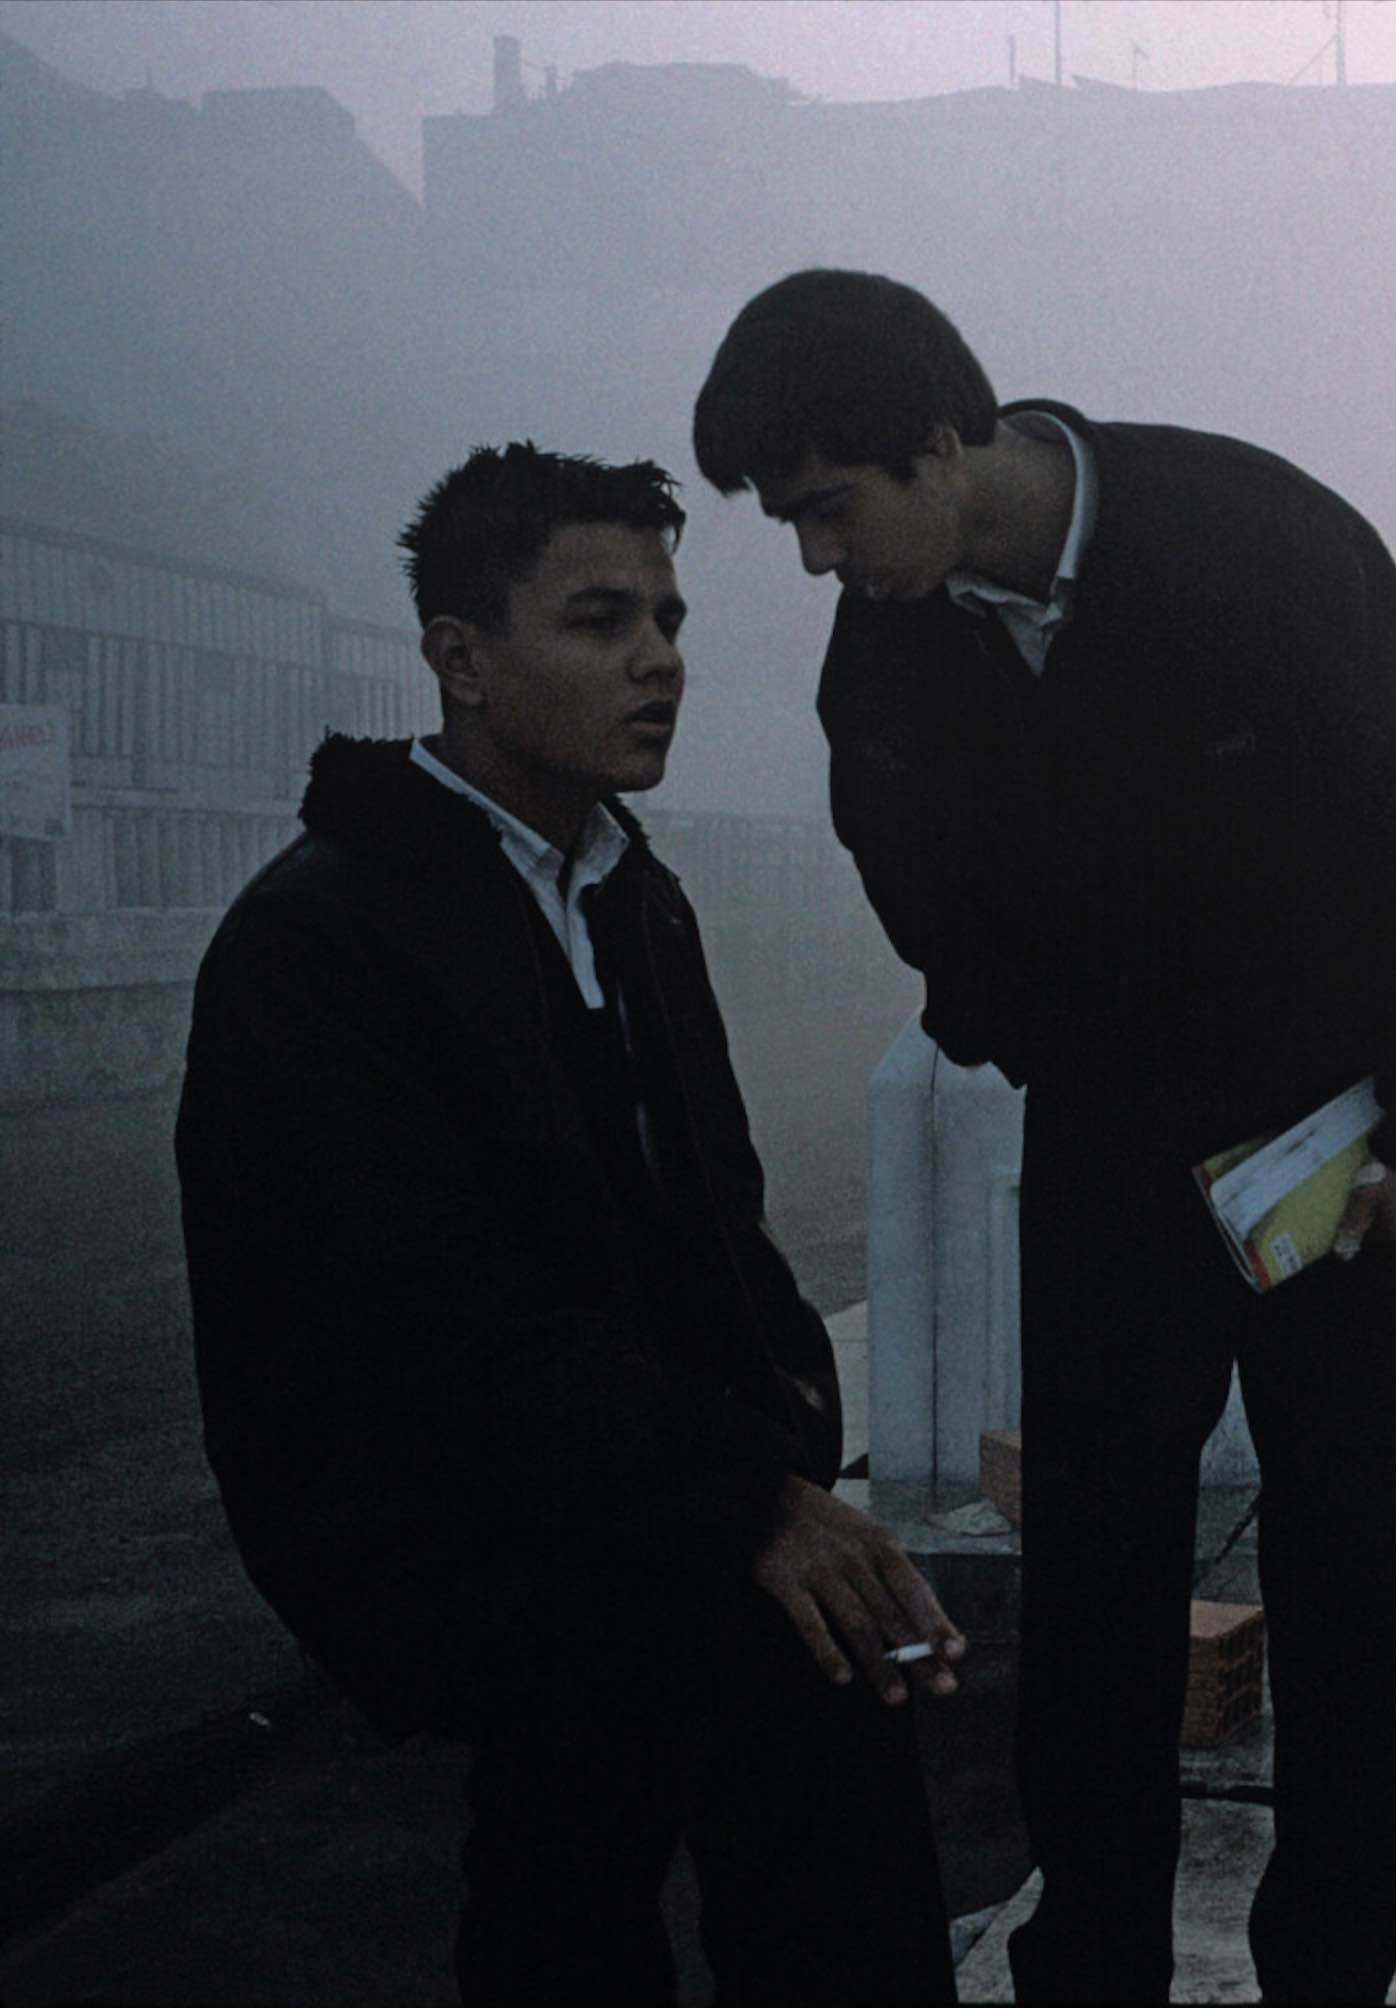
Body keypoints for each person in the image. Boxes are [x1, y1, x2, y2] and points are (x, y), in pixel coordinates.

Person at [693, 270, 1396, 2003]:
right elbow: (906, 877)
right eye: (793, 525)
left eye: (831, 509)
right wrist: (1035, 1033)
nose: (819, 560)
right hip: (1107, 1159)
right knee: (1092, 1587)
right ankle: (1094, 1967)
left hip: (1343, 1161)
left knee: (1350, 1580)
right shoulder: (889, 656)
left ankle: (1330, 1974)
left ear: (944, 444)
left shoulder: (1262, 543)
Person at [176, 445, 961, 2001]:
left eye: (667, 620)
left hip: (604, 1467)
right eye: (601, 622)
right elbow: (435, 1322)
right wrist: (752, 1506)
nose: (659, 660)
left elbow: (718, 1227)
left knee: (766, 1701)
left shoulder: (624, 890)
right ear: (460, 659)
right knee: (777, 1691)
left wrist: (792, 1446)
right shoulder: (318, 940)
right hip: (430, 1509)